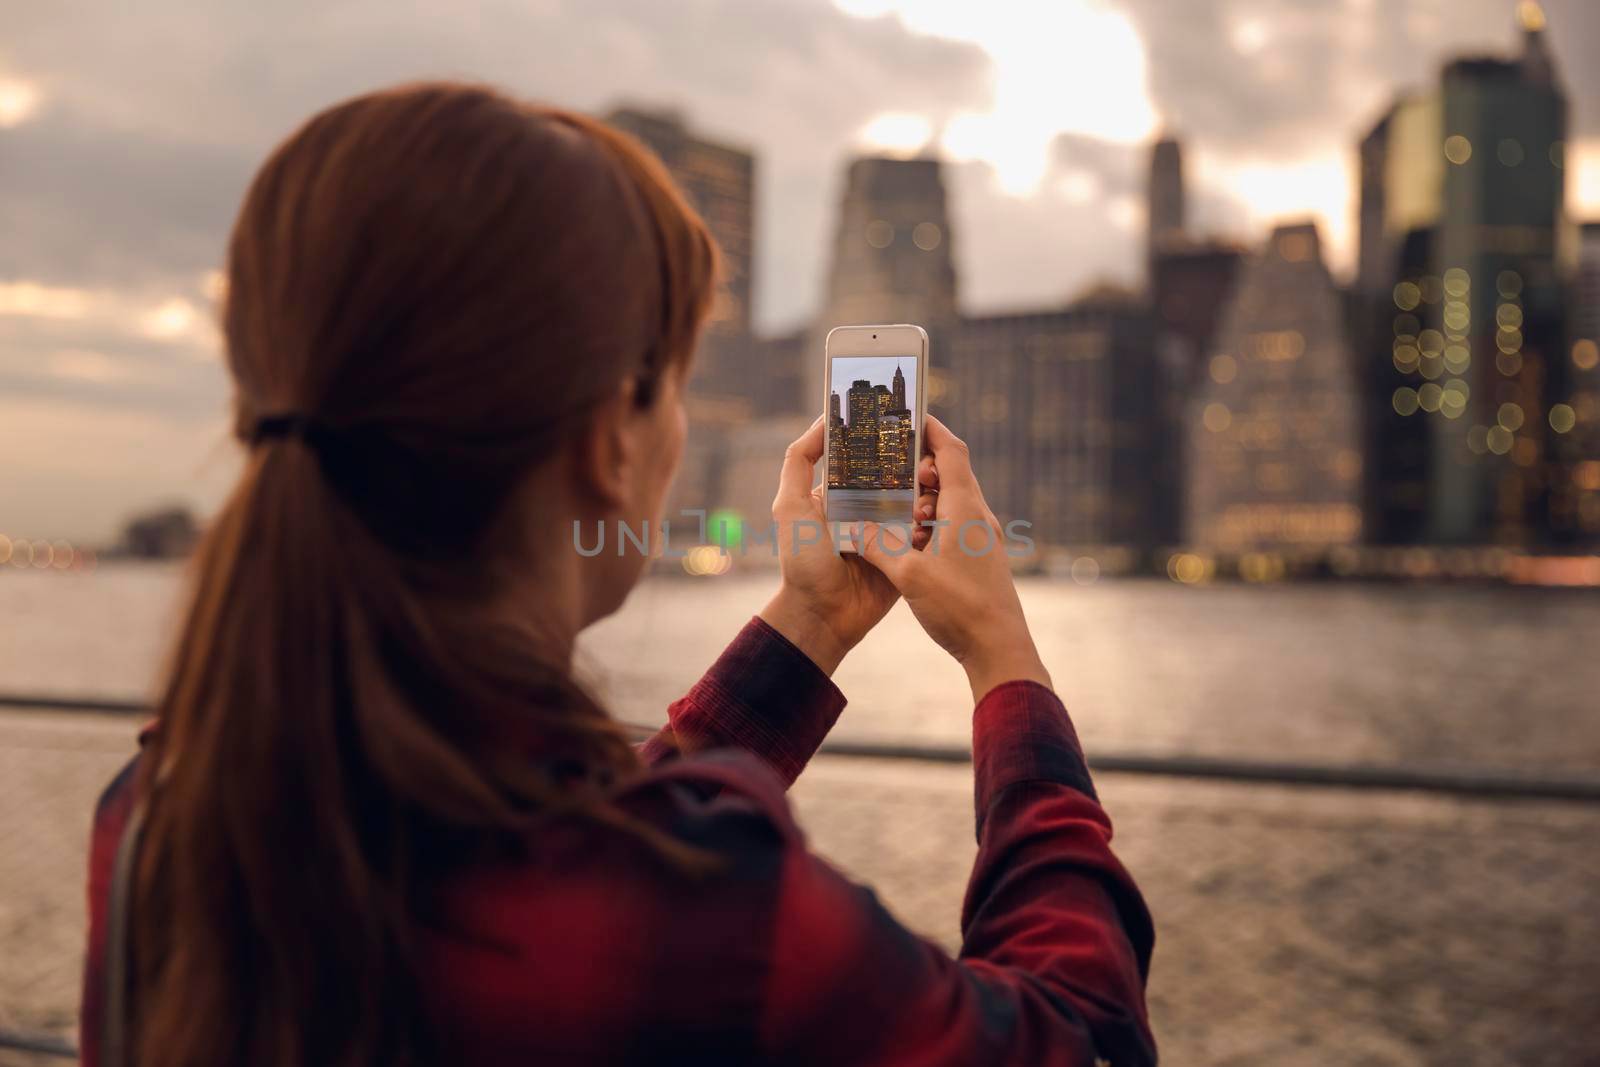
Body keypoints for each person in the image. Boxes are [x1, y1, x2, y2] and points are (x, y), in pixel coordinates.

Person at [80, 82, 1155, 1067]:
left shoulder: (159, 807)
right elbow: (1082, 1039)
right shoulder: (719, 914)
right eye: (674, 384)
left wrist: (813, 621)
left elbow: (562, 854)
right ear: (609, 439)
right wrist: (1003, 659)